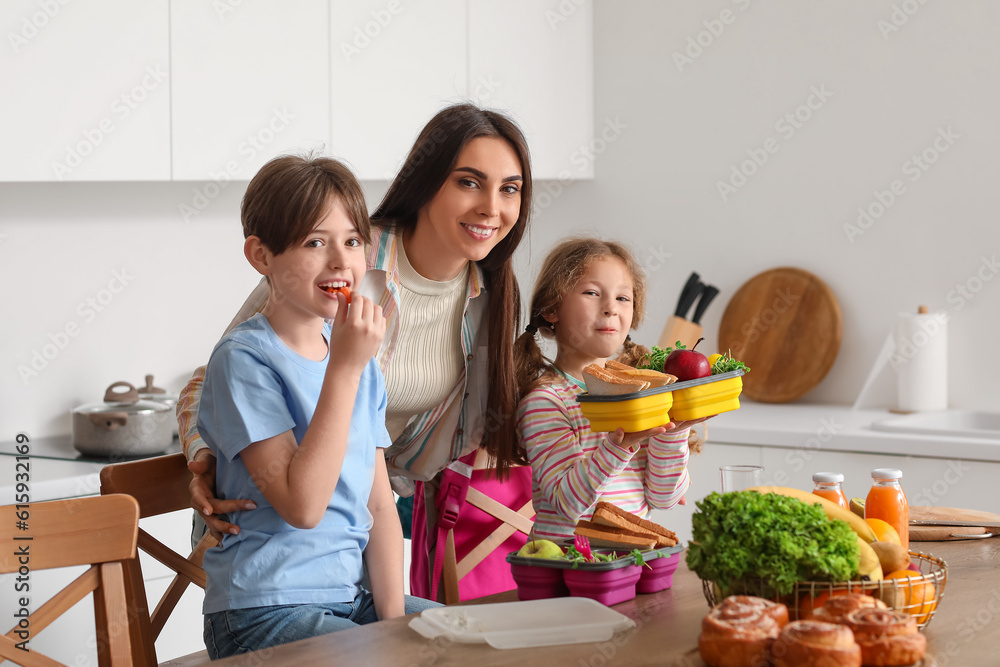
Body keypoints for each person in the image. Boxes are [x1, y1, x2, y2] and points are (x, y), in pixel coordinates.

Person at [177, 103, 534, 601]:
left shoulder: (488, 298)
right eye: (469, 182)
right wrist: (204, 460)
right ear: (427, 182)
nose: (491, 208)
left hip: (375, 511)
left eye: (510, 189)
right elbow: (213, 379)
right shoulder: (337, 261)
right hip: (275, 543)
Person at [195, 154, 440, 658]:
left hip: (350, 603)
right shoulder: (244, 360)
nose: (340, 261)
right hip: (260, 614)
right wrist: (345, 369)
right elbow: (303, 506)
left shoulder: (357, 357)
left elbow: (378, 505)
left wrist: (393, 624)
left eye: (352, 241)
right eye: (314, 242)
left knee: (479, 646)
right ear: (261, 256)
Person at [514, 238, 700, 541]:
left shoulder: (642, 397)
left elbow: (664, 499)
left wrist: (674, 428)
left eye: (623, 298)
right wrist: (619, 445)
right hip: (569, 567)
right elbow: (567, 503)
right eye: (592, 293)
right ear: (551, 309)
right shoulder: (546, 401)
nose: (611, 308)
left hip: (633, 561)